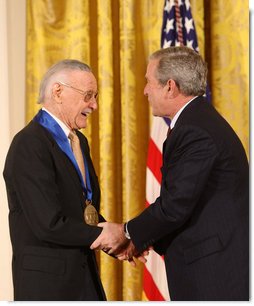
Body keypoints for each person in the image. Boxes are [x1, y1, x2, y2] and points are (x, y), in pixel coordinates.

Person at [90, 46, 249, 301]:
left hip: (214, 275)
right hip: (212, 268)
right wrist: (139, 240)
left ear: (170, 87)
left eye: (148, 82)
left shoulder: (194, 131)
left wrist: (127, 232)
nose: (144, 90)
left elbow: (175, 206)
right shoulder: (197, 122)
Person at [3, 59, 107, 301]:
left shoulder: (79, 142)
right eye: (88, 95)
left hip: (84, 279)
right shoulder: (29, 144)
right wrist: (104, 235)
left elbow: (81, 210)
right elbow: (48, 222)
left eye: (96, 96)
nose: (94, 105)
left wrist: (120, 240)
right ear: (58, 92)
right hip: (47, 287)